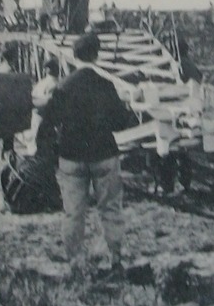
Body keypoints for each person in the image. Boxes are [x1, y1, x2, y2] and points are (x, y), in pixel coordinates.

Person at [35, 32, 137, 278]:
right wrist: (128, 108)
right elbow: (121, 123)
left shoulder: (63, 86)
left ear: (74, 56)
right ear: (97, 54)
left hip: (71, 156)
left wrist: (47, 155)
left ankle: (76, 263)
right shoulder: (106, 85)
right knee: (110, 209)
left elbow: (46, 123)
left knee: (73, 212)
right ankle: (115, 260)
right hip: (103, 154)